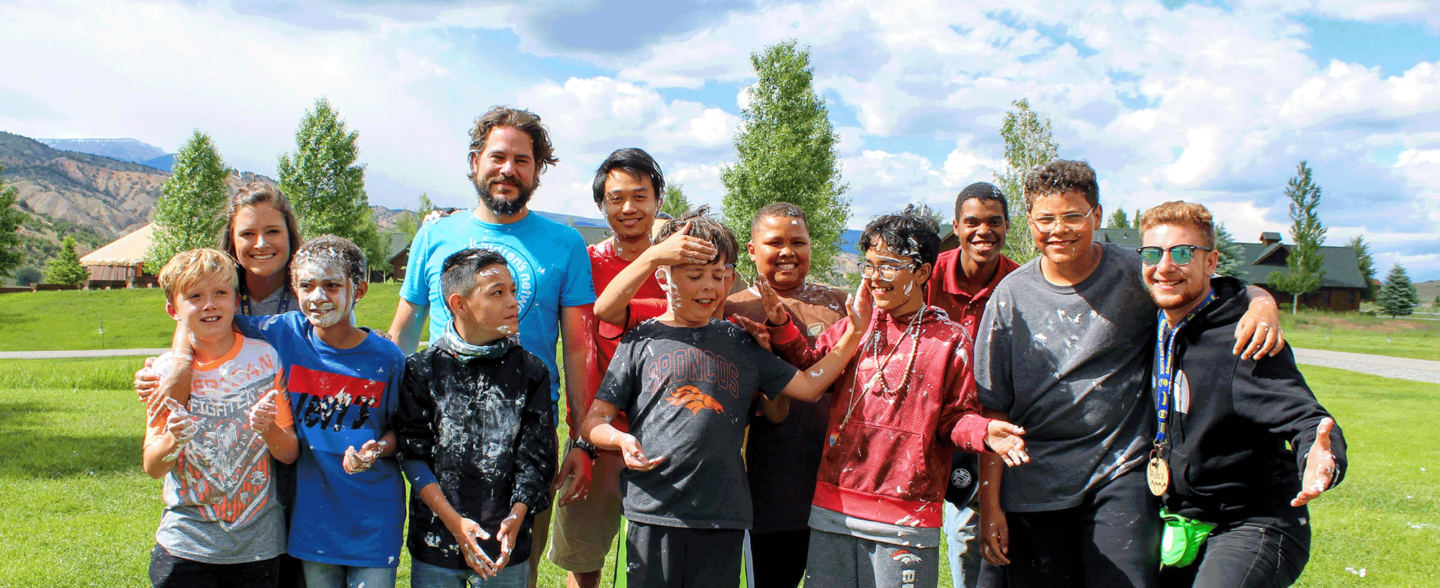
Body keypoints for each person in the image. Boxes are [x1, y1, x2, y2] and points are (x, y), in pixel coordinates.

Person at [974, 160, 1286, 588]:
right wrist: (990, 505)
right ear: (1030, 222)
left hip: (1121, 471)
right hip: (1033, 481)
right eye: (1046, 218)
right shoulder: (1010, 297)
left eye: (1072, 216)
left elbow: (1204, 284)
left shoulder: (1134, 274)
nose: (1059, 229)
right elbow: (993, 410)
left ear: (1096, 216)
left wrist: (1261, 299)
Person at [580, 211, 866, 588]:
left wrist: (853, 334)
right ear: (663, 276)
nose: (709, 287)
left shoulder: (740, 341)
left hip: (725, 519)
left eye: (719, 275)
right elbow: (593, 421)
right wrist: (619, 439)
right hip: (650, 513)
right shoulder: (640, 339)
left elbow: (809, 387)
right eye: (695, 275)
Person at [758, 208, 1026, 588]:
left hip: (907, 519)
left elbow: (955, 418)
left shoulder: (949, 341)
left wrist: (983, 432)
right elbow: (812, 365)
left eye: (886, 266)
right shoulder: (856, 325)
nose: (872, 278)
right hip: (833, 508)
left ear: (920, 272)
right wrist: (781, 327)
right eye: (868, 265)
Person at [389, 106, 597, 587]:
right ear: (476, 160)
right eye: (497, 157)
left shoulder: (565, 244)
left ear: (537, 171)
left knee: (512, 568)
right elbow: (401, 334)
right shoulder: (435, 235)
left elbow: (578, 350)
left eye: (522, 160)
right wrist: (381, 424)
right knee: (435, 564)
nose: (509, 169)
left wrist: (582, 439)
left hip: (526, 440)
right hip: (441, 441)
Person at [1137, 201, 1345, 588]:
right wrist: (1260, 295)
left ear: (1211, 262)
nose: (1164, 266)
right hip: (1185, 524)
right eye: (1153, 253)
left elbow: (1306, 419)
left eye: (1183, 253)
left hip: (1256, 524)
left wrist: (1323, 455)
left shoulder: (1244, 340)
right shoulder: (1148, 326)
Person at [135, 182, 309, 587]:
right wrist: (177, 363)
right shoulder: (221, 284)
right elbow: (189, 313)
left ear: (290, 234)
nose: (261, 243)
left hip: (298, 451)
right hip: (207, 510)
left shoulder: (309, 290)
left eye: (273, 231)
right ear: (231, 241)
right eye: (247, 233)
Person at [227, 235, 410, 587]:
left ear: (359, 290)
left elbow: (406, 432)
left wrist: (378, 449)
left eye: (331, 285)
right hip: (315, 518)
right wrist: (171, 362)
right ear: (295, 290)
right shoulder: (285, 333)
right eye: (307, 286)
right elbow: (215, 321)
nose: (318, 296)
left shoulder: (387, 358)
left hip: (373, 515)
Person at [550, 148, 678, 588]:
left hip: (668, 436)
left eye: (639, 196)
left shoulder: (682, 261)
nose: (628, 208)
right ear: (601, 206)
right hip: (600, 437)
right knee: (584, 562)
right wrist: (581, 439)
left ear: (658, 199)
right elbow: (578, 353)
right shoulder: (585, 263)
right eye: (616, 198)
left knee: (663, 563)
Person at [395, 248, 558, 587]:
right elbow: (413, 454)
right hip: (436, 541)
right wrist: (454, 523)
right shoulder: (422, 370)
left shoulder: (531, 372)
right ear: (459, 304)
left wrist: (518, 514)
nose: (513, 302)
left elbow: (537, 458)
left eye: (513, 290)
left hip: (505, 542)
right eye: (497, 292)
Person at [723, 202, 849, 588]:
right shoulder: (731, 308)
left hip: (836, 480)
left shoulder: (840, 303)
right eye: (774, 242)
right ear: (751, 249)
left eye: (798, 242)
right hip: (766, 485)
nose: (787, 252)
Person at [924, 182, 1018, 588]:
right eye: (972, 222)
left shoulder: (1018, 283)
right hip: (928, 425)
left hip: (988, 428)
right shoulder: (927, 278)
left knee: (976, 540)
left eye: (994, 222)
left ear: (1008, 226)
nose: (984, 231)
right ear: (957, 227)